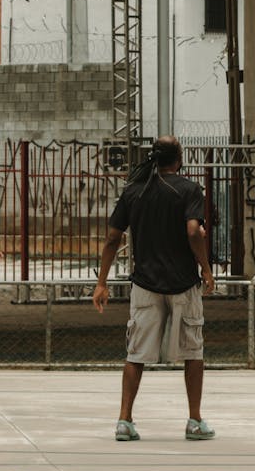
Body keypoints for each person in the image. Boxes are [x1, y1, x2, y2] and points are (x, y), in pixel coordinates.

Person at [92, 136, 216, 441]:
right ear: (179, 158)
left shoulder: (135, 191)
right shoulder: (189, 189)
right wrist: (206, 267)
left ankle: (125, 420)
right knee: (193, 352)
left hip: (145, 284)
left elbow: (112, 238)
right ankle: (195, 420)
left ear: (154, 158)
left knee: (136, 353)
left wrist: (102, 282)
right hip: (183, 283)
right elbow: (193, 231)